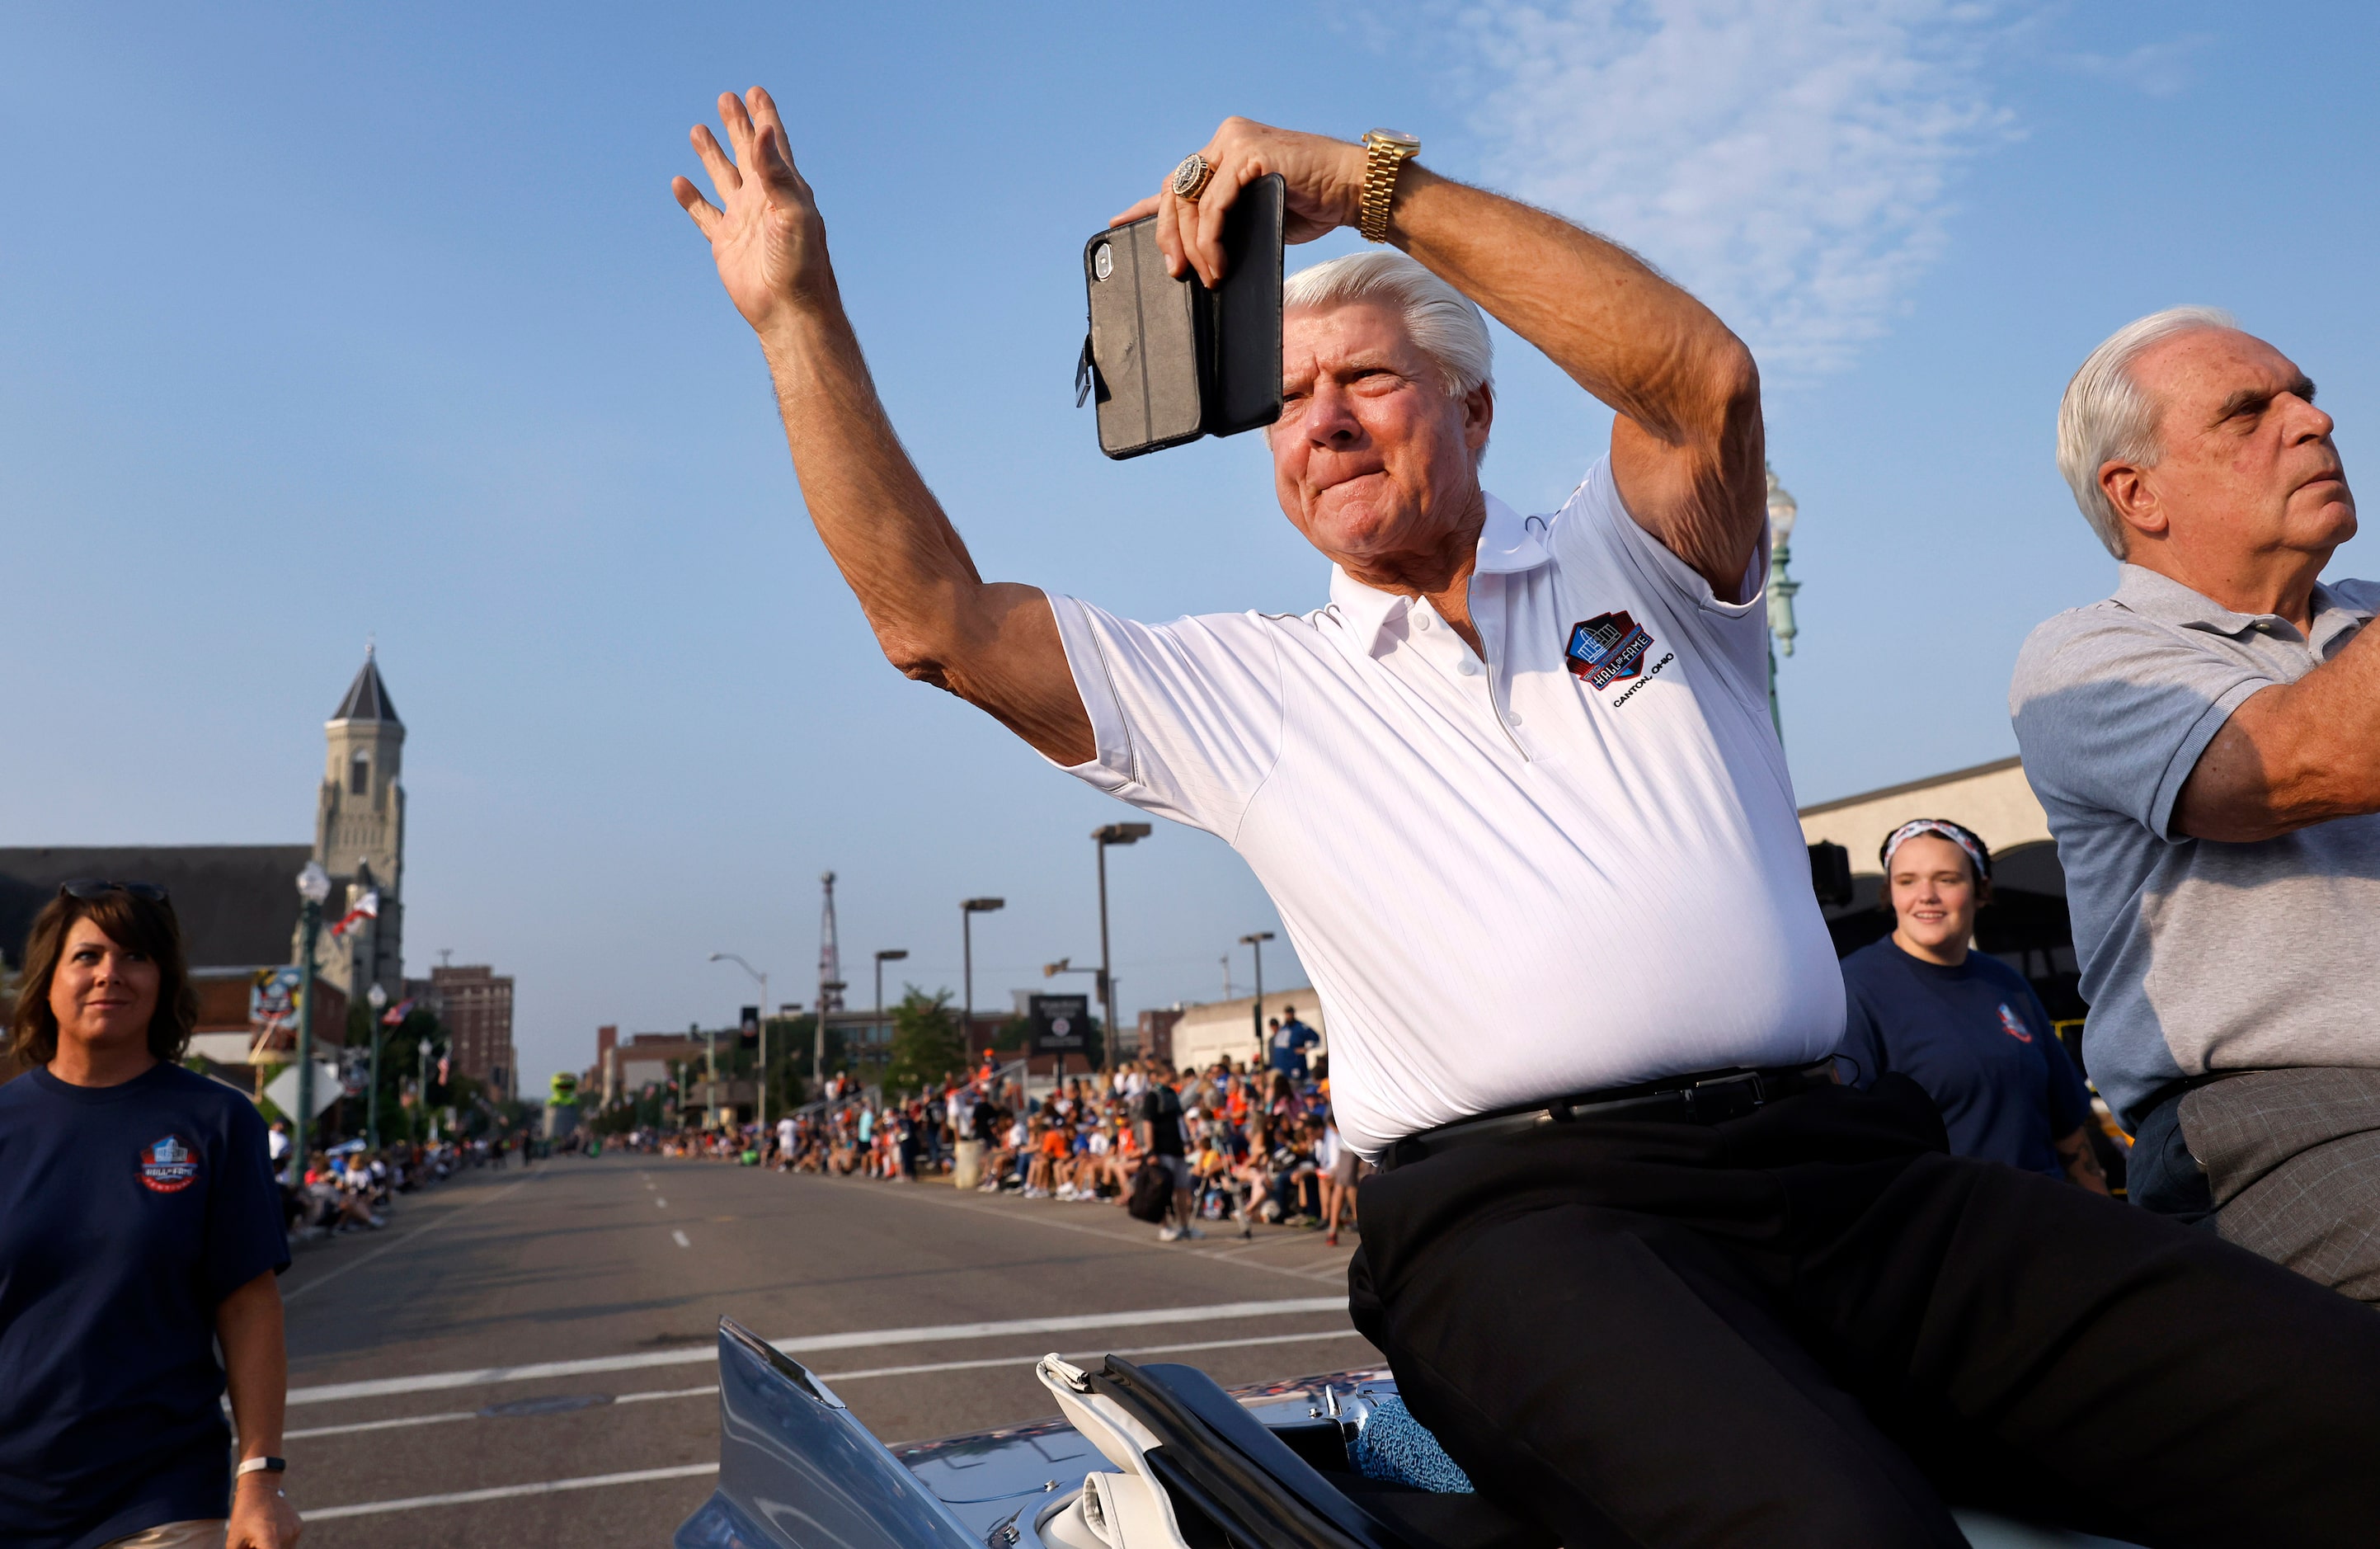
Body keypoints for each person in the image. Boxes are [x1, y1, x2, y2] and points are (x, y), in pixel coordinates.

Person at [676, 92, 2380, 1543]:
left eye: (1365, 380)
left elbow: (1700, 378)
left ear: (1476, 409)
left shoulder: (1638, 563)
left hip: (1848, 1177)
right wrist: (795, 316)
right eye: (1284, 407)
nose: (1321, 423)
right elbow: (936, 619)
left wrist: (1363, 185)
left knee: (2333, 1412)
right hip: (1521, 1223)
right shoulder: (1243, 685)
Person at [2012, 307, 2380, 1300]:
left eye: (2304, 393)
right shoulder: (2091, 658)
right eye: (2249, 410)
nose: (2314, 420)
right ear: (2137, 494)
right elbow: (2292, 766)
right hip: (2289, 1113)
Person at [0, 883, 301, 1549]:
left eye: (135, 956)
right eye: (87, 956)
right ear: (48, 980)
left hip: (158, 1496)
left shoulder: (218, 1123)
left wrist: (260, 1482)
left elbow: (250, 1306)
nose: (110, 973)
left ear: (162, 982)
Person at [1837, 821, 2108, 1192]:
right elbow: (1850, 1147)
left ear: (1981, 890)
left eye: (1946, 879)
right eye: (1907, 881)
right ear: (1890, 894)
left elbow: (2067, 1128)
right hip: (1945, 1233)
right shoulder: (1854, 989)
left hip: (2047, 1221)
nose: (1926, 895)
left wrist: (2098, 1222)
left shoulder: (2006, 982)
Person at [1132, 1059, 1201, 1241]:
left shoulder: (1172, 1093)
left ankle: (1185, 1227)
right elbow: (1148, 1125)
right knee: (1162, 1191)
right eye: (1172, 1072)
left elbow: (1180, 1119)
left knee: (1182, 1190)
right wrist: (1151, 1151)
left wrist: (1187, 1140)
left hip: (1177, 1149)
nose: (1175, 1075)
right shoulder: (1153, 1096)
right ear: (1165, 1074)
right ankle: (1165, 1227)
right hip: (1162, 1151)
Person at [1270, 1005, 1320, 1081]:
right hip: (1283, 1071)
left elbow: (1316, 1039)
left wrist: (1306, 1048)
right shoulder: (1283, 1030)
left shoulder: (1301, 1027)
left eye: (1290, 1013)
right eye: (1287, 1013)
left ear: (1293, 1013)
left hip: (1296, 1070)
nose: (1288, 1016)